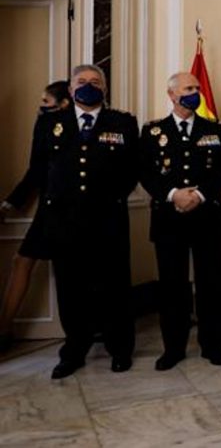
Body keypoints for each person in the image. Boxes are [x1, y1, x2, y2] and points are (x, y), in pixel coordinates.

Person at [29, 65, 139, 378]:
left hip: (109, 219)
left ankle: (120, 349)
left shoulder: (123, 122)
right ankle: (74, 350)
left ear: (105, 88)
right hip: (64, 221)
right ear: (70, 87)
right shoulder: (51, 123)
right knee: (70, 288)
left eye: (95, 82)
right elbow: (38, 167)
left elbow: (133, 168)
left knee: (115, 286)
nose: (88, 86)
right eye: (81, 82)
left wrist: (113, 196)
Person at [139, 72, 221, 370]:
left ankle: (213, 346)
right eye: (188, 88)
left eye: (197, 87)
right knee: (172, 287)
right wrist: (173, 194)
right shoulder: (153, 131)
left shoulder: (216, 130)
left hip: (207, 217)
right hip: (169, 219)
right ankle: (174, 348)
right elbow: (145, 172)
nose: (195, 92)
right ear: (172, 94)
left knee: (211, 286)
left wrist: (200, 195)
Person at [0, 81, 72, 351]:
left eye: (46, 102)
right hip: (49, 208)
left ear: (64, 103)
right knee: (22, 260)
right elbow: (36, 170)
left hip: (74, 210)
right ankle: (4, 328)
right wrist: (10, 204)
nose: (41, 107)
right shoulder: (44, 125)